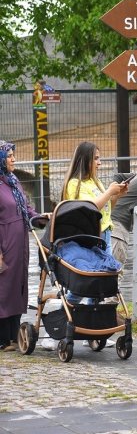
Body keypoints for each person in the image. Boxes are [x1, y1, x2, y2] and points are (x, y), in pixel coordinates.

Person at [0, 141, 47, 350]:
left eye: (13, 155)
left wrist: (40, 218)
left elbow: (27, 208)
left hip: (20, 244)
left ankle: (13, 335)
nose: (13, 159)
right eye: (9, 156)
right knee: (3, 289)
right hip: (4, 244)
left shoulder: (13, 181)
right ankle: (3, 339)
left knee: (18, 287)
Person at [61, 142, 128, 253]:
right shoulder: (74, 184)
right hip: (92, 237)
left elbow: (106, 208)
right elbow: (90, 208)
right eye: (96, 159)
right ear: (85, 160)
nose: (99, 163)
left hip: (105, 233)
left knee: (108, 268)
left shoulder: (95, 181)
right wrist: (109, 192)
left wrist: (115, 196)